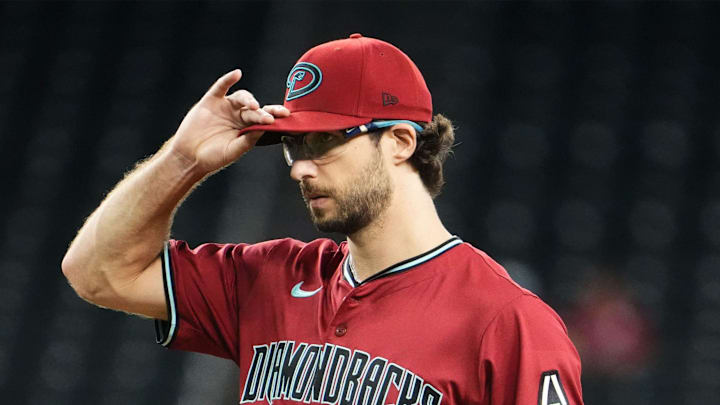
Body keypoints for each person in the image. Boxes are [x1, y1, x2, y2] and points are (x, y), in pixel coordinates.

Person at [62, 34, 584, 405]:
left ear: (401, 141)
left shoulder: (506, 322)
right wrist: (183, 159)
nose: (300, 168)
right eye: (293, 145)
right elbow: (97, 272)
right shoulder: (269, 276)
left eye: (325, 142)